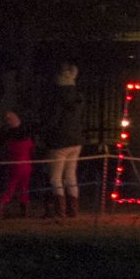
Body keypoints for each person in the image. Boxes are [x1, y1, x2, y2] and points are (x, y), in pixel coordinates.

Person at [42, 64, 85, 219]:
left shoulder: (56, 97)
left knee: (55, 177)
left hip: (59, 141)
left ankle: (60, 210)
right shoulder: (78, 97)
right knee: (70, 175)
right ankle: (73, 210)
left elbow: (52, 120)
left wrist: (45, 132)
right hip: (76, 141)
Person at [0, 110, 35, 218]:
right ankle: (25, 213)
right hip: (26, 167)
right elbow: (32, 152)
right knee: (24, 188)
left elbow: (4, 152)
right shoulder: (28, 142)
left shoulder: (10, 143)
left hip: (14, 167)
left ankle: (1, 207)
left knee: (10, 187)